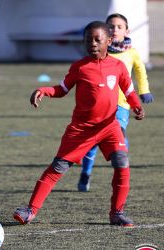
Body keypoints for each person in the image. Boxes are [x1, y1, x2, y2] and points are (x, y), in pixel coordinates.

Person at [13, 21, 145, 227]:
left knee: (122, 164)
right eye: (87, 40)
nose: (92, 43)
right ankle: (30, 210)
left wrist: (136, 105)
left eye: (97, 40)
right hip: (81, 129)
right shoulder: (79, 67)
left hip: (110, 127)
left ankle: (117, 213)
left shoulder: (117, 67)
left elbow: (128, 90)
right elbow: (62, 89)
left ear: (108, 41)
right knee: (58, 167)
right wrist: (44, 91)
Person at [77, 13, 154, 192]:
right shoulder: (99, 51)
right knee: (92, 142)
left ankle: (121, 168)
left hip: (121, 104)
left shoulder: (132, 53)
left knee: (119, 134)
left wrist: (144, 91)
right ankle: (86, 172)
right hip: (97, 105)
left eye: (120, 27)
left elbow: (140, 72)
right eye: (111, 26)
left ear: (127, 30)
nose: (115, 30)